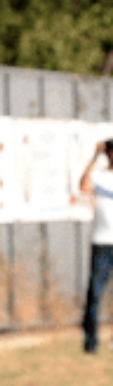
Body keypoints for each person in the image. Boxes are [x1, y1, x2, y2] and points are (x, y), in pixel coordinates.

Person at [79, 139, 113, 353]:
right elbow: (83, 186)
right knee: (95, 293)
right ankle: (91, 341)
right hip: (101, 243)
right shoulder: (101, 177)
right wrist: (95, 156)